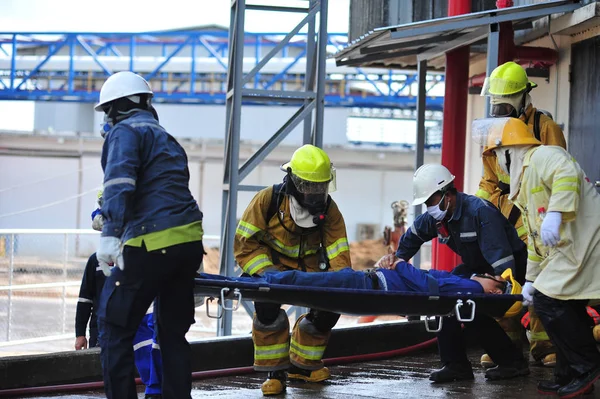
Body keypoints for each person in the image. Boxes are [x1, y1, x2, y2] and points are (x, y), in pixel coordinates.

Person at [94, 71, 205, 399]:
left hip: (150, 245)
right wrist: (107, 213)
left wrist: (111, 234)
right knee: (172, 334)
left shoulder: (125, 132)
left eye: (107, 112)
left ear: (116, 108)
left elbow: (120, 181)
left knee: (114, 328)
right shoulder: (165, 137)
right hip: (187, 244)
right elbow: (159, 190)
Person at [474, 117, 600, 397]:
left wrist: (556, 213)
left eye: (496, 154)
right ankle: (569, 373)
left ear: (510, 150)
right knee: (565, 304)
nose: (496, 163)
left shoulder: (543, 155)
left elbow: (566, 173)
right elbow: (535, 241)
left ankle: (587, 365)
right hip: (570, 251)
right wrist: (531, 279)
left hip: (588, 245)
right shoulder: (524, 184)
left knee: (549, 300)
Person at [376, 163, 529, 383]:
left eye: (431, 201)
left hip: (509, 270)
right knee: (444, 297)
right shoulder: (438, 216)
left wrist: (499, 289)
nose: (429, 208)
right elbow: (412, 238)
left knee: (471, 305)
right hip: (478, 267)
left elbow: (502, 262)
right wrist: (396, 260)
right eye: (426, 203)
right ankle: (455, 366)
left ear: (448, 194)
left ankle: (513, 363)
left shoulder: (479, 212)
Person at [234, 144, 351, 396]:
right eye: (309, 187)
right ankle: (275, 373)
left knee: (329, 311)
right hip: (271, 271)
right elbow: (245, 246)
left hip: (309, 275)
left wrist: (341, 285)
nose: (315, 193)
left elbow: (338, 254)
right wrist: (269, 274)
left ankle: (303, 366)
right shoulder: (268, 200)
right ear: (293, 181)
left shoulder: (330, 211)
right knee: (268, 311)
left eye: (320, 187)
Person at [478, 61, 566, 368]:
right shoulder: (492, 132)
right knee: (506, 276)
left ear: (524, 97)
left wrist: (554, 216)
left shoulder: (545, 128)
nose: (501, 110)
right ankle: (507, 346)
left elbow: (559, 174)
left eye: (506, 103)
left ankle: (544, 345)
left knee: (540, 278)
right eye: (496, 104)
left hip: (536, 213)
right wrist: (479, 212)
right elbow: (489, 180)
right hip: (504, 214)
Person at [75, 192, 162, 399]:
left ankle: (155, 390)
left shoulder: (142, 250)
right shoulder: (96, 261)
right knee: (113, 367)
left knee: (145, 357)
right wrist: (80, 333)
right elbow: (85, 298)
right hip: (106, 325)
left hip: (140, 319)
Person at [200, 260, 522, 299]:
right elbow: (430, 278)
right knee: (304, 281)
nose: (486, 275)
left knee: (302, 281)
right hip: (372, 280)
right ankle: (251, 281)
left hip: (371, 284)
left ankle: (253, 281)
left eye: (493, 278)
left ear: (495, 288)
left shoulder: (470, 289)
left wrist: (399, 264)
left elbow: (427, 285)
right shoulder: (464, 285)